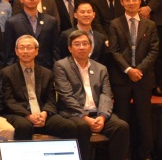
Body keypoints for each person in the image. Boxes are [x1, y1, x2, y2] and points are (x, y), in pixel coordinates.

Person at [1, 35, 88, 149]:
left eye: (29, 47)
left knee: (69, 126)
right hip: (19, 114)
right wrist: (28, 115)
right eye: (22, 48)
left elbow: (51, 99)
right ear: (16, 51)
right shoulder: (6, 73)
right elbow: (9, 101)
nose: (25, 51)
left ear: (36, 51)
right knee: (24, 126)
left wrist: (45, 113)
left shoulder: (47, 73)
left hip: (43, 114)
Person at [54, 30, 130, 160]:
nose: (82, 47)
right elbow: (66, 96)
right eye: (77, 44)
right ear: (70, 48)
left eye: (85, 43)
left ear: (90, 47)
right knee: (82, 127)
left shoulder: (101, 68)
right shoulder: (62, 66)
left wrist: (102, 116)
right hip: (74, 114)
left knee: (121, 126)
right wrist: (85, 117)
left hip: (98, 113)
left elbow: (106, 95)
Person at [108, 0, 159, 159]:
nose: (131, 3)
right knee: (123, 119)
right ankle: (125, 155)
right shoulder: (115, 23)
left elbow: (153, 51)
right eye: (127, 0)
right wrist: (129, 70)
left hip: (143, 78)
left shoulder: (150, 25)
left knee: (144, 119)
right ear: (121, 2)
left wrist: (139, 70)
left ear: (140, 1)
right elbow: (114, 51)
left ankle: (146, 154)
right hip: (122, 78)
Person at [4, 0, 61, 69]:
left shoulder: (51, 21)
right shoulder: (12, 22)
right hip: (20, 70)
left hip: (46, 70)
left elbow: (55, 50)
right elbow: (9, 53)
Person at [57, 1, 109, 67]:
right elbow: (62, 58)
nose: (86, 15)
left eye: (89, 12)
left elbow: (103, 61)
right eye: (82, 12)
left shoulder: (100, 37)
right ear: (75, 15)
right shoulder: (66, 35)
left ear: (93, 15)